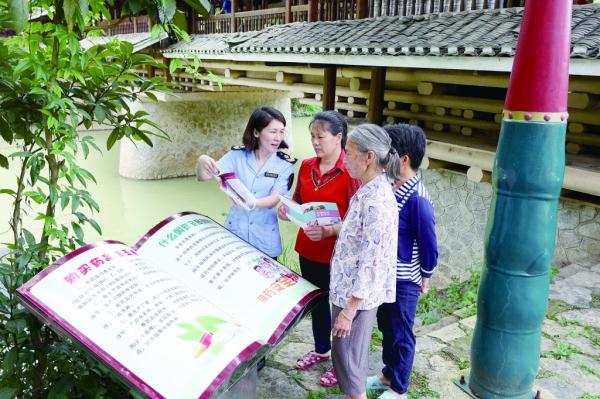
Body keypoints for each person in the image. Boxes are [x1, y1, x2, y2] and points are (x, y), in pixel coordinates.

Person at [278, 111, 360, 387]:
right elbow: (297, 200)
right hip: (308, 250)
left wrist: (330, 230)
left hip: (338, 255)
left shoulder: (351, 173)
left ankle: (341, 365)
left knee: (339, 309)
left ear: (339, 138)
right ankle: (322, 349)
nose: (315, 142)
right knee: (317, 304)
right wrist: (287, 210)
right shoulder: (306, 166)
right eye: (312, 136)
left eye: (320, 137)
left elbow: (357, 219)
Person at [366, 124, 439, 399]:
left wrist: (426, 275)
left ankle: (399, 389)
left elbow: (429, 243)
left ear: (403, 159)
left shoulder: (418, 198)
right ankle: (387, 375)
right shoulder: (389, 185)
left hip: (404, 278)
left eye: (388, 153)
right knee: (386, 327)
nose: (383, 159)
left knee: (401, 334)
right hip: (385, 274)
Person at [329, 124, 400, 399]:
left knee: (350, 366)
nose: (344, 158)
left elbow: (373, 261)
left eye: (348, 153)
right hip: (348, 291)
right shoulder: (369, 190)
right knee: (347, 362)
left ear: (368, 157)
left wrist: (349, 310)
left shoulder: (377, 201)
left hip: (354, 299)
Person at [196, 106, 296, 259]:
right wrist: (202, 161)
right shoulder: (237, 156)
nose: (278, 137)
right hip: (236, 234)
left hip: (264, 239)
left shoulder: (285, 164)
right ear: (256, 132)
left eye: (281, 131)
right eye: (272, 131)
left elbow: (275, 199)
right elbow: (204, 176)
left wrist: (252, 202)